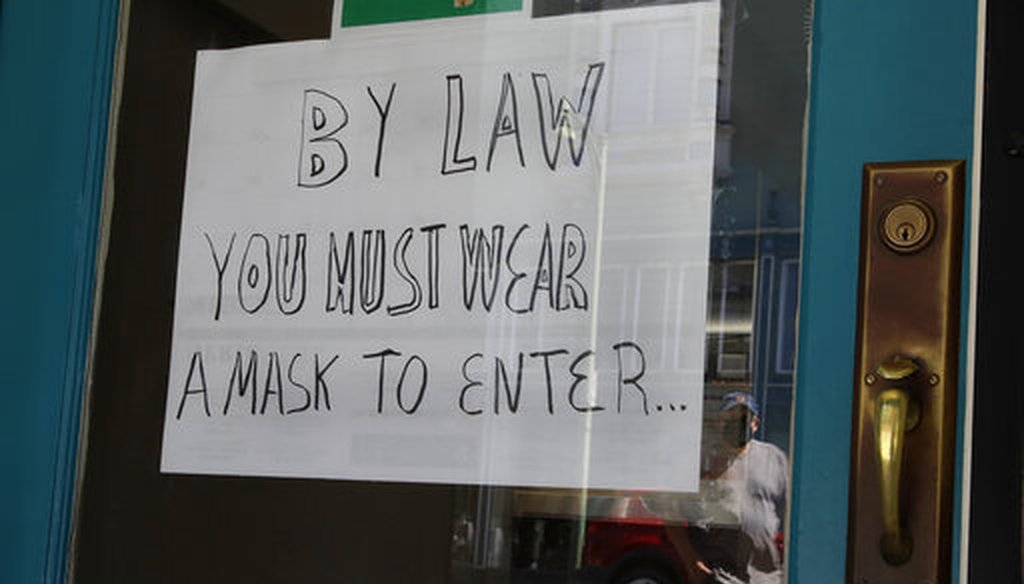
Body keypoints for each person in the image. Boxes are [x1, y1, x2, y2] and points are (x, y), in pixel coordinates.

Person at [650, 391, 789, 584]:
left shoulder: (774, 458)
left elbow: (792, 515)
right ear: (719, 422)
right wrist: (692, 563)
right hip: (720, 576)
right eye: (729, 418)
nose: (736, 424)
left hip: (766, 577)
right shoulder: (701, 461)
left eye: (743, 419)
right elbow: (671, 514)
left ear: (755, 424)